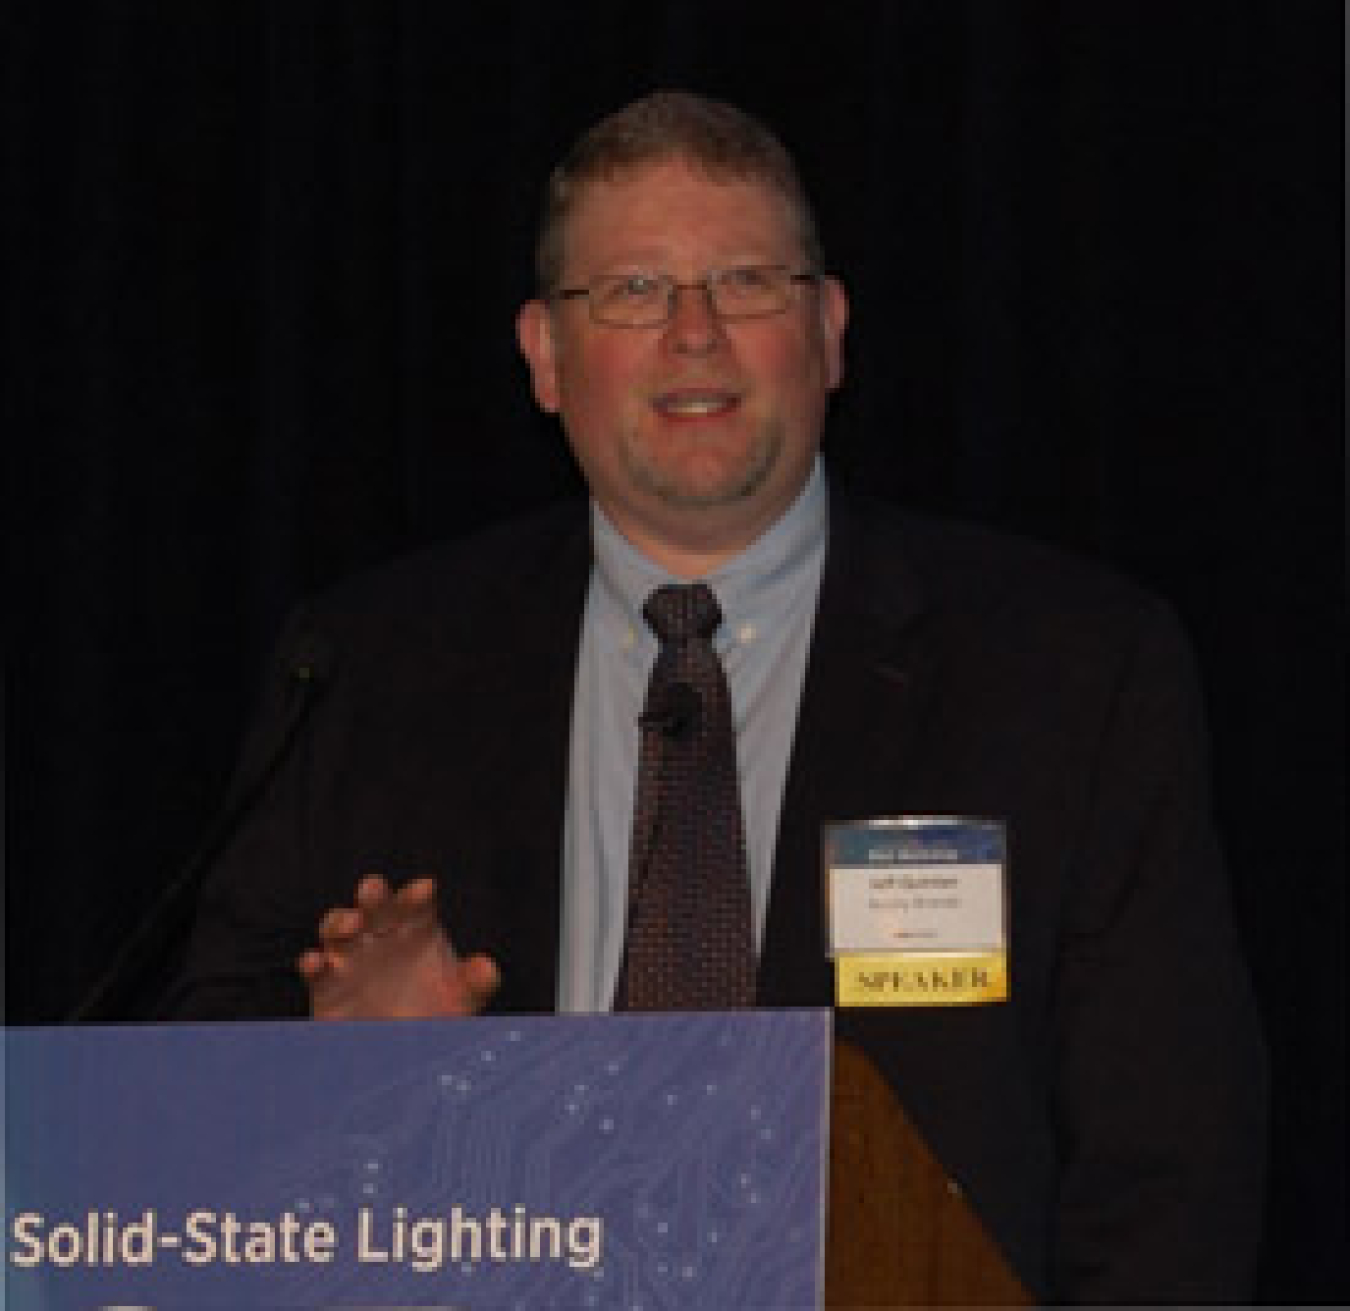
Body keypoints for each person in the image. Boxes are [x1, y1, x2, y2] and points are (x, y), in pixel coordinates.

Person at [167, 90, 1266, 1301]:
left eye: (746, 283)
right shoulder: (365, 666)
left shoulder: (1069, 670)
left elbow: (1173, 1172)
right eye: (634, 292)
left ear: (831, 331)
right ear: (544, 354)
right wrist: (337, 1070)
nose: (694, 333)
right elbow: (189, 1116)